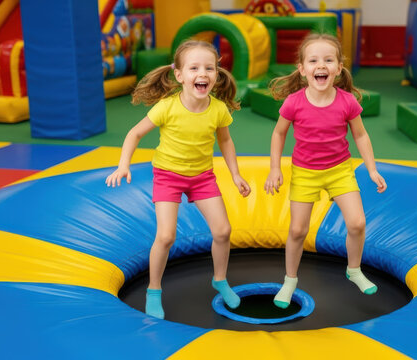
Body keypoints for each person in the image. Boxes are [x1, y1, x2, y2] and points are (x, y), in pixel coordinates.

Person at [106, 40, 251, 319]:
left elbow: (226, 141)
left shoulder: (218, 108)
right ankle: (154, 289)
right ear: (180, 75)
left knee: (222, 231)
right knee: (166, 235)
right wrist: (123, 165)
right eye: (194, 67)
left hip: (202, 177)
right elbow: (134, 134)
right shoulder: (167, 107)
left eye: (210, 68)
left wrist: (235, 174)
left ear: (217, 74)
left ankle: (220, 279)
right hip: (168, 176)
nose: (203, 73)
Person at [264, 33, 387, 309]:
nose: (321, 65)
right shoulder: (294, 102)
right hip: (305, 172)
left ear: (338, 68)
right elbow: (278, 134)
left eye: (328, 60)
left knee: (356, 223)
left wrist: (372, 169)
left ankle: (353, 270)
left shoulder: (346, 102)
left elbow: (361, 136)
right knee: (297, 230)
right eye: (314, 60)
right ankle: (290, 279)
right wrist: (275, 168)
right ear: (303, 69)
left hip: (340, 170)